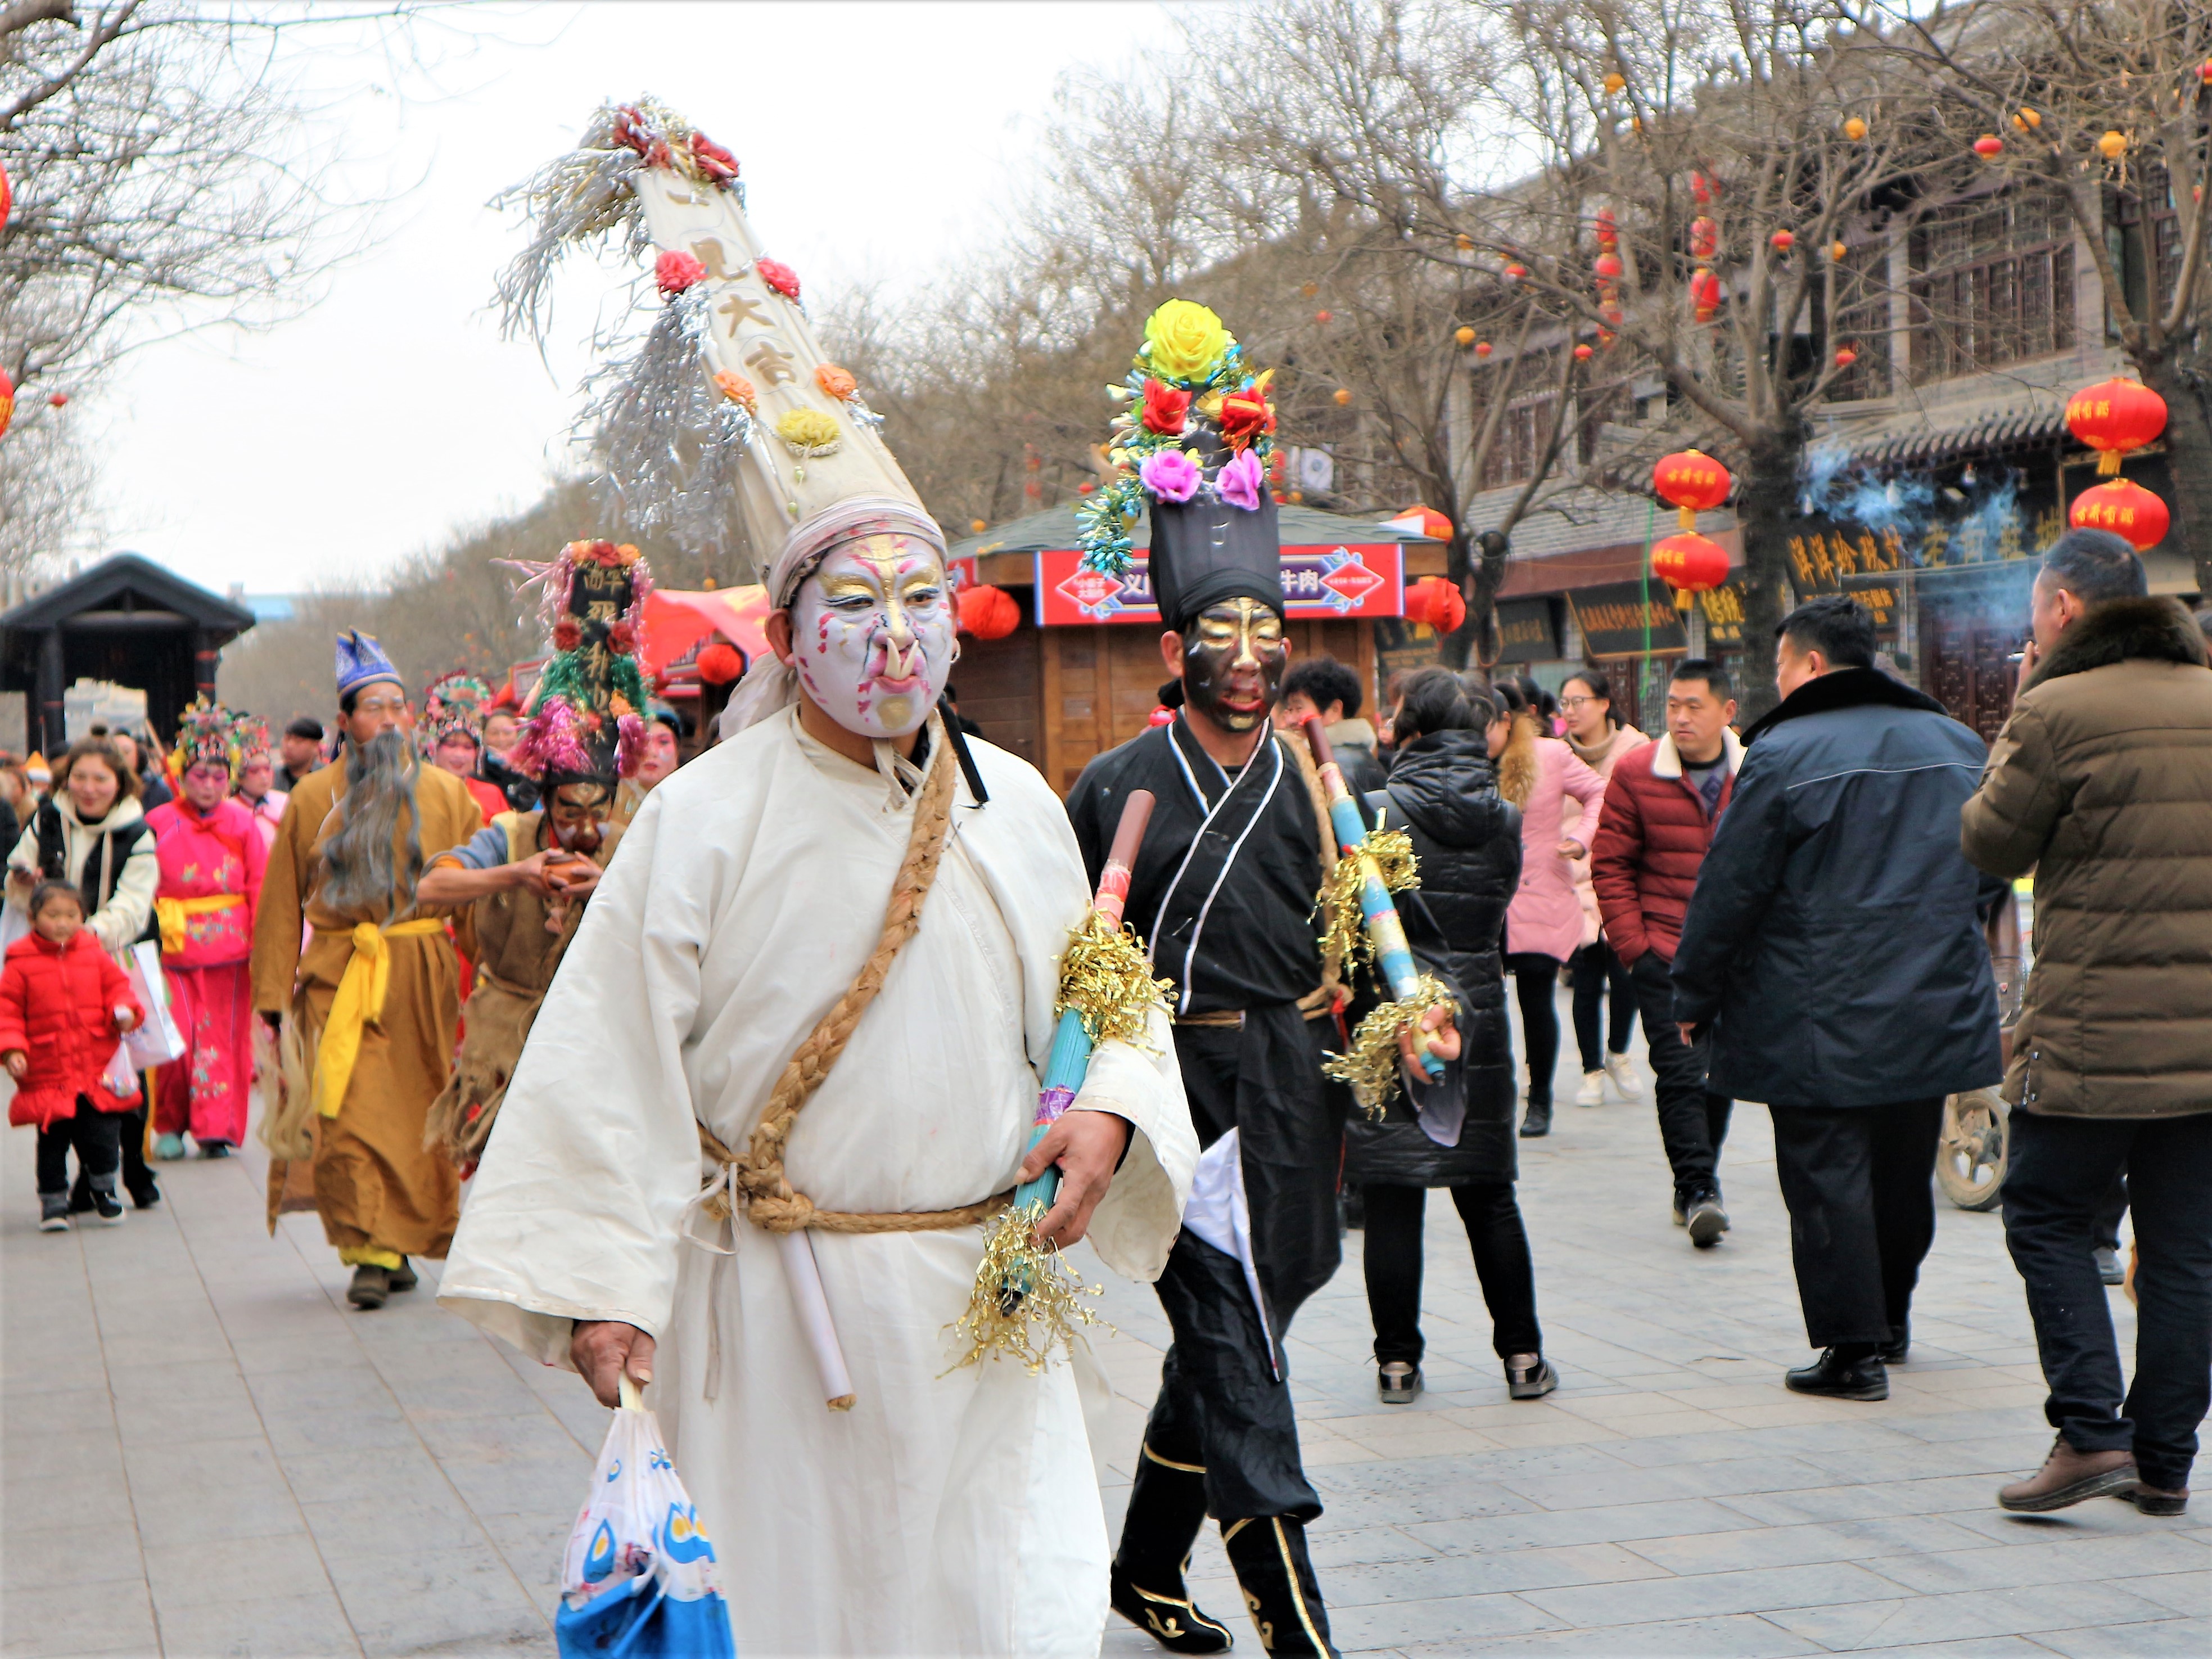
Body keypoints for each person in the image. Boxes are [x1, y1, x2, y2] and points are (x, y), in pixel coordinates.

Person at [439, 132, 1195, 1659]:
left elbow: (1106, 1001)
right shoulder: (699, 820)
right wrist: (603, 1281)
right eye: (853, 603)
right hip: (770, 1321)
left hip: (986, 1307)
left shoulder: (1020, 807)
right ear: (787, 631)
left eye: (920, 598)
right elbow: (610, 1056)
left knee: (998, 1600)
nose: (893, 635)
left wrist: (1109, 1114)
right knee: (799, 1614)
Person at [1064, 301, 1451, 1657]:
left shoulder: (1316, 777)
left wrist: (1412, 1010)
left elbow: (1365, 934)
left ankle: (1140, 1568)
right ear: (1173, 654)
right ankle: (1300, 1625)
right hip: (1180, 1089)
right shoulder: (1113, 786)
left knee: (1262, 1312)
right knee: (1237, 1345)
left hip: (1294, 1078)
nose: (1247, 655)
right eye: (1216, 634)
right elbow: (1080, 973)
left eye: (1265, 630)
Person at [1672, 597, 2001, 1401]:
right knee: (1899, 1169)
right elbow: (1993, 865)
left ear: (1812, 665)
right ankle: (1889, 1321)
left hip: (1814, 1004)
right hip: (1930, 997)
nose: (1775, 681)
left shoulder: (1783, 753)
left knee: (1826, 1175)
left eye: (1781, 664)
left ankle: (1849, 1349)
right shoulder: (1956, 742)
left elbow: (1730, 889)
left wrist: (1693, 991)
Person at [1958, 529, 2212, 1517]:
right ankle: (2162, 1463)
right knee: (2186, 1248)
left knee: (2045, 1212)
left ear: (2060, 611)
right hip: (2203, 1044)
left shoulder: (2054, 708)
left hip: (2092, 1035)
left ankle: (2088, 1430)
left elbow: (1986, 839)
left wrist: (2022, 708)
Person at [250, 632, 482, 1311]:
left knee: (416, 1115)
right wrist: (272, 993)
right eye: (371, 707)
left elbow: (472, 894)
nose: (386, 718)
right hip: (337, 972)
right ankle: (369, 1252)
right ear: (344, 721)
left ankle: (397, 1242)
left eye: (396, 706)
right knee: (345, 1115)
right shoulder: (312, 795)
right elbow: (280, 900)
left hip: (420, 977)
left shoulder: (448, 794)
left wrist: (499, 974)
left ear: (411, 718)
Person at [1347, 669, 1551, 1406]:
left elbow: (1356, 927)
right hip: (1479, 1017)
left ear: (1410, 731)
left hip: (1396, 1017)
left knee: (1395, 1195)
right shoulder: (1504, 816)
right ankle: (1523, 1356)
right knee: (1488, 1195)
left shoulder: (1373, 812)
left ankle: (1397, 1363)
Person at [421, 552, 639, 1175]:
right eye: (570, 813)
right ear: (545, 801)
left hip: (595, 1034)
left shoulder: (625, 844)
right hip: (505, 1025)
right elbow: (432, 886)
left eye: (600, 811)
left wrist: (610, 888)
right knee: (503, 1176)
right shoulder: (508, 835)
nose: (585, 830)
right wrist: (516, 874)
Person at [1590, 659, 1741, 1246]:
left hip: (1733, 958)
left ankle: (1696, 1179)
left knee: (1720, 1073)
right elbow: (1611, 864)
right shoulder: (1635, 772)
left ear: (1726, 712)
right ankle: (1699, 1187)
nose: (1679, 717)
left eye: (1693, 706)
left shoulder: (1754, 774)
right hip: (1664, 951)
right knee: (1680, 1071)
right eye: (1672, 705)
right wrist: (1635, 949)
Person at [8, 736, 162, 1211]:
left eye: (100, 779)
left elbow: (134, 906)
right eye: (80, 778)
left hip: (117, 958)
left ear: (119, 783)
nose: (89, 788)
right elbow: (18, 878)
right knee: (68, 1069)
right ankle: (89, 1177)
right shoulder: (48, 818)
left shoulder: (136, 832)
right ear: (65, 779)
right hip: (52, 961)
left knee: (124, 1071)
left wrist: (84, 937)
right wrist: (21, 880)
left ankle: (129, 1165)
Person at [146, 701, 267, 1160]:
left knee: (223, 1039)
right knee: (178, 1038)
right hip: (172, 947)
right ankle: (171, 1123)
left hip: (231, 951)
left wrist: (261, 944)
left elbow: (259, 884)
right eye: (201, 775)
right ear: (181, 774)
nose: (211, 785)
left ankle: (217, 1128)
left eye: (220, 776)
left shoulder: (242, 823)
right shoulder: (156, 823)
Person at [1488, 679, 1605, 1138]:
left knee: (1536, 1000)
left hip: (1538, 891)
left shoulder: (1548, 755)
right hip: (1484, 897)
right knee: (1485, 1005)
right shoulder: (1464, 760)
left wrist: (1580, 840)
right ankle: (1493, 1093)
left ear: (1506, 721)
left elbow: (1599, 792)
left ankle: (1539, 1100)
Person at [3, 881, 143, 1229]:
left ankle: (104, 1189)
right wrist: (12, 1049)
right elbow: (8, 1011)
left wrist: (124, 1011)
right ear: (34, 917)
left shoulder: (95, 954)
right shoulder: (19, 963)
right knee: (53, 1137)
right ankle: (53, 1202)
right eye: (53, 915)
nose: (63, 923)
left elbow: (119, 989)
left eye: (71, 915)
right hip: (48, 1069)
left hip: (95, 1064)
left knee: (103, 1133)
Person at [1558, 666, 1647, 1108]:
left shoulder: (1637, 750)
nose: (1571, 712)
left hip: (1623, 877)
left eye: (1579, 702)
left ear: (1604, 703)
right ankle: (1592, 1069)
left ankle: (1618, 1053)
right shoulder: (1557, 755)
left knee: (1626, 971)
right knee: (1587, 977)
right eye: (1565, 703)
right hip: (1573, 881)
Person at [1280, 656, 1386, 794]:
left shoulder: (1334, 769)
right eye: (1290, 710)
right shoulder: (1361, 756)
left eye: (1298, 708)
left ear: (1335, 710)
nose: (1291, 720)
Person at [419, 672, 511, 825]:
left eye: (468, 747)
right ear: (435, 749)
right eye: (452, 745)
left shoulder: (491, 794)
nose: (460, 755)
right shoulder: (420, 794)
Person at [611, 704, 682, 829]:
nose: (652, 752)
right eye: (642, 741)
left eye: (664, 742)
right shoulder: (605, 807)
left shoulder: (690, 806)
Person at [477, 696, 540, 812]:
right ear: (483, 737)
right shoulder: (478, 769)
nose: (501, 739)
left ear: (517, 734)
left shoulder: (532, 768)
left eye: (507, 733)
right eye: (494, 733)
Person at [234, 725, 288, 851]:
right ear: (240, 777)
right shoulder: (230, 808)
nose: (264, 777)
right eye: (255, 771)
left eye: (267, 769)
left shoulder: (285, 801)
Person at [276, 717, 324, 793]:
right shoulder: (273, 777)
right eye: (287, 739)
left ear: (315, 745)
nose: (289, 745)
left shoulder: (327, 778)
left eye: (298, 741)